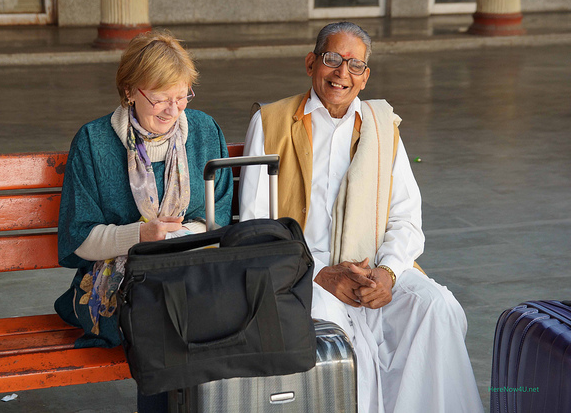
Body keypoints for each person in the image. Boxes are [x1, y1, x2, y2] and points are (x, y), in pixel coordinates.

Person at [239, 22, 483, 413]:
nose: (342, 73)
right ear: (310, 63)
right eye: (332, 59)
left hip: (373, 272)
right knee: (344, 343)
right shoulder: (271, 122)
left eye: (354, 65)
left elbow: (406, 218)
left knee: (437, 308)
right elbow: (255, 225)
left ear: (365, 77)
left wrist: (387, 273)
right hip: (304, 275)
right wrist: (318, 272)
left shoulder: (382, 127)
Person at [54, 30, 233, 412]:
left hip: (193, 269)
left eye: (182, 96)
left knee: (200, 311)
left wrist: (183, 235)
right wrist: (141, 235)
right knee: (165, 322)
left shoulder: (202, 131)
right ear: (130, 90)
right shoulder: (94, 142)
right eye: (161, 98)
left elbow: (219, 215)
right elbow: (78, 237)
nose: (173, 110)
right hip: (120, 283)